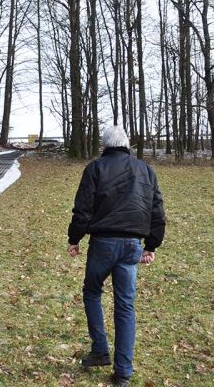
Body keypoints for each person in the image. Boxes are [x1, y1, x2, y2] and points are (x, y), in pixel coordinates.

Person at [67, 126, 166, 387]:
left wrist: (74, 238)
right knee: (125, 306)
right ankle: (123, 372)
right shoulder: (145, 170)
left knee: (92, 291)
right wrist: (151, 245)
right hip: (133, 245)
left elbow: (83, 207)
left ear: (105, 145)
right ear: (126, 145)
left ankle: (100, 349)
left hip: (103, 243)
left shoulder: (95, 168)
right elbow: (157, 210)